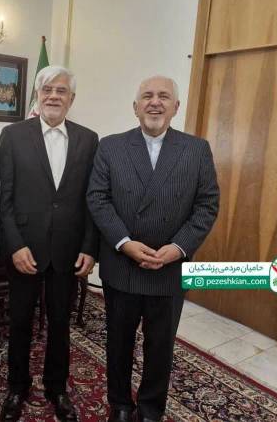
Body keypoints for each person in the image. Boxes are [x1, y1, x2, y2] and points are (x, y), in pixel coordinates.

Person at [86, 76, 219, 422]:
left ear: (176, 107)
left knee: (160, 346)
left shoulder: (196, 149)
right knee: (118, 342)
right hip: (122, 264)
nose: (155, 102)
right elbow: (97, 199)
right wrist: (125, 243)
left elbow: (207, 205)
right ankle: (119, 404)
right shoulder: (111, 146)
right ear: (135, 107)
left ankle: (150, 409)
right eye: (147, 96)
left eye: (163, 96)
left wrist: (179, 247)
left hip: (170, 268)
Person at [0, 65, 99, 422]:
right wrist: (14, 245)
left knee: (60, 325)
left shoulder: (89, 139)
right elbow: (3, 198)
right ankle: (17, 387)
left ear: (72, 98)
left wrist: (90, 247)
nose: (54, 96)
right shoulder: (12, 135)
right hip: (24, 250)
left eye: (62, 90)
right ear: (37, 95)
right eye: (48, 89)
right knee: (20, 323)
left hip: (67, 252)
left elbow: (93, 199)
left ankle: (57, 388)